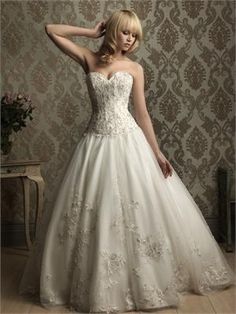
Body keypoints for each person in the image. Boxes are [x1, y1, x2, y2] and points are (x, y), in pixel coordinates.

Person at [19, 9, 235, 313]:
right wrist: (90, 32)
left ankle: (145, 277)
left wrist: (157, 153)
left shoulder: (135, 69)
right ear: (113, 31)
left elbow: (142, 114)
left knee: (137, 211)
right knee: (95, 210)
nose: (131, 39)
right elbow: (50, 29)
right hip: (94, 144)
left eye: (135, 35)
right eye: (126, 32)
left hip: (128, 141)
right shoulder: (89, 59)